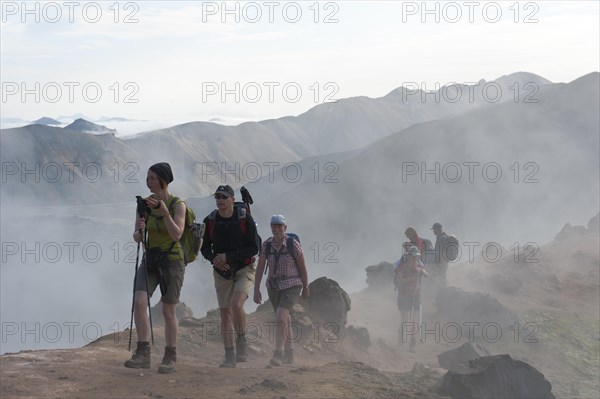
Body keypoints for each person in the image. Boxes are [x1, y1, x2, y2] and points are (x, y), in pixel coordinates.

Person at [124, 162, 186, 374]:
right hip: (150, 258)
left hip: (172, 260)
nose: (148, 181)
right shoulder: (143, 205)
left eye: (152, 177)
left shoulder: (178, 205)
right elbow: (136, 237)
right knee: (139, 301)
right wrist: (138, 232)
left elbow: (177, 234)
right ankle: (143, 352)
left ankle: (170, 355)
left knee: (168, 310)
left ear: (163, 180)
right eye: (147, 177)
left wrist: (164, 212)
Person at [200, 185, 259, 368]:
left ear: (232, 199)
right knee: (225, 312)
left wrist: (227, 257)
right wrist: (214, 259)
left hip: (244, 267)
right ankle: (229, 356)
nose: (220, 200)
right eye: (217, 197)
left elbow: (254, 248)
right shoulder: (210, 220)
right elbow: (204, 247)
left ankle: (241, 341)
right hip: (221, 271)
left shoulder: (245, 219)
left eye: (224, 197)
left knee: (235, 305)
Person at [254, 215, 309, 366]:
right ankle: (289, 353)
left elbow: (302, 267)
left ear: (285, 228)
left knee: (280, 316)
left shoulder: (293, 244)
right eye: (274, 226)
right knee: (285, 319)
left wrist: (305, 287)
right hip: (274, 286)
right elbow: (260, 267)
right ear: (271, 227)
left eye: (280, 226)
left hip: (292, 284)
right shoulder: (266, 245)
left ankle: (278, 353)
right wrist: (256, 288)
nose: (277, 229)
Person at [394, 244, 428, 352]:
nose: (415, 258)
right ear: (408, 256)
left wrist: (421, 271)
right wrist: (412, 278)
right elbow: (400, 281)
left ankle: (411, 343)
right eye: (413, 256)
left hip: (416, 295)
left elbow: (427, 275)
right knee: (405, 320)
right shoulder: (401, 266)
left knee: (414, 321)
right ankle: (401, 340)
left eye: (416, 256)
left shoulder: (418, 264)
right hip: (404, 295)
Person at [431, 222, 450, 289]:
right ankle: (443, 290)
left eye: (434, 229)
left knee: (442, 277)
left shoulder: (442, 238)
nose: (433, 231)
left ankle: (444, 291)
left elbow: (443, 252)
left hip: (442, 262)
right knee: (441, 277)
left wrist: (440, 262)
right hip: (441, 262)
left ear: (438, 229)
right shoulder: (441, 237)